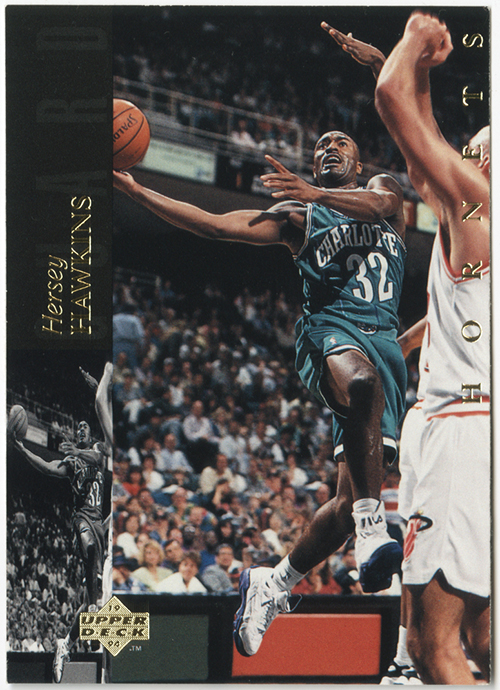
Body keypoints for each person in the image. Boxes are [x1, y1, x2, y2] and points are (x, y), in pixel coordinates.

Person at [113, 116, 408, 653]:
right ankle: (373, 526)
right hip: (332, 332)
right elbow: (215, 224)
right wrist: (137, 191)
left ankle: (273, 583)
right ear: (312, 162)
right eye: (320, 144)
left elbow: (382, 205)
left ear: (359, 162)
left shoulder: (382, 191)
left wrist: (317, 193)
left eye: (340, 142)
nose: (329, 147)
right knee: (361, 385)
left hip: (385, 343)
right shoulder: (299, 217)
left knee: (344, 504)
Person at [342, 11, 489, 684]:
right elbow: (423, 156)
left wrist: (414, 41)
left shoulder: (479, 206)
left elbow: (391, 101)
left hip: (462, 432)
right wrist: (424, 75)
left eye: (476, 151)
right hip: (478, 426)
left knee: (435, 647)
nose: (463, 155)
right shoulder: (471, 212)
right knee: (481, 642)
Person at [11, 363, 113, 683]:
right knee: (89, 549)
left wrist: (99, 389)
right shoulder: (72, 462)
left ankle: (70, 640)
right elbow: (46, 466)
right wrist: (20, 448)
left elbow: (102, 451)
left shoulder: (96, 451)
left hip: (103, 521)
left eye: (85, 427)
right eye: (77, 428)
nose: (81, 430)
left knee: (97, 599)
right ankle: (91, 625)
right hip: (83, 519)